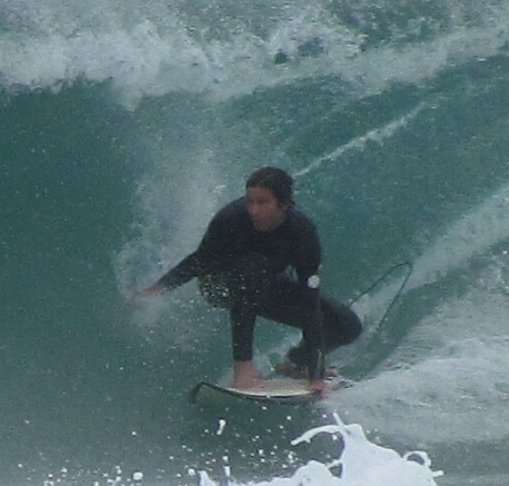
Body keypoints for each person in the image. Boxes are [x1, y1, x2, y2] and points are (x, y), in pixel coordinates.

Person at [135, 167, 362, 394]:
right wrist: (155, 290)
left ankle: (296, 363)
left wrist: (316, 375)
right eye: (250, 201)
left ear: (283, 204)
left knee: (345, 325)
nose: (253, 210)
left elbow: (310, 301)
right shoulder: (231, 218)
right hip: (219, 285)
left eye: (262, 203)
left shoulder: (301, 233)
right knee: (250, 272)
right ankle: (243, 370)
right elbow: (198, 261)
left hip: (265, 285)